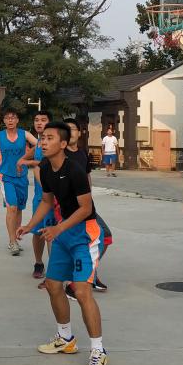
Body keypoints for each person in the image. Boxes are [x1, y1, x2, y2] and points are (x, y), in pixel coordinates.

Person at [17, 121, 109, 365]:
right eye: (42, 138)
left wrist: (58, 229)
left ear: (63, 144)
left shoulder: (75, 170)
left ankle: (98, 351)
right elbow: (47, 202)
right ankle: (65, 338)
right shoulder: (46, 168)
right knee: (53, 284)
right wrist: (30, 225)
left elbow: (86, 209)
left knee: (81, 290)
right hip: (64, 232)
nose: (43, 142)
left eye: (49, 138)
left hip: (85, 234)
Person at [62, 119, 111, 294]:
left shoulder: (83, 153)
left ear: (80, 132)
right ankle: (74, 282)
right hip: (69, 208)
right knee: (73, 243)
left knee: (105, 237)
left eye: (73, 129)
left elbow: (87, 176)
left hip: (87, 207)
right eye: (66, 129)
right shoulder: (60, 154)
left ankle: (90, 273)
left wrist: (88, 196)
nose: (70, 132)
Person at [0, 108, 37, 256]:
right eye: (7, 118)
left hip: (22, 177)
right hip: (6, 177)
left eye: (13, 117)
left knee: (19, 208)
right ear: (4, 120)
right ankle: (12, 241)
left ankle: (15, 237)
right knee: (12, 208)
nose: (10, 120)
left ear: (17, 120)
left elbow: (40, 144)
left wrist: (29, 158)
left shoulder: (24, 134)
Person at [18, 110, 51, 280]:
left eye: (43, 120)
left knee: (51, 234)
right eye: (37, 120)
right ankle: (38, 263)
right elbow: (30, 156)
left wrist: (29, 162)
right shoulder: (38, 143)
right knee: (37, 232)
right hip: (39, 197)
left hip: (52, 196)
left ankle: (53, 272)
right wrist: (22, 160)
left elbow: (44, 163)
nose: (39, 123)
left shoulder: (52, 142)